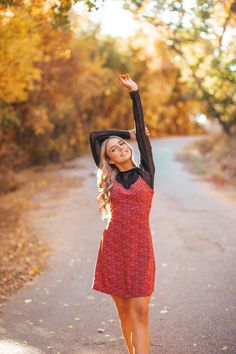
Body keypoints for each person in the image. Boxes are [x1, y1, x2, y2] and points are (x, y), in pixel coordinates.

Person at [89, 73, 156, 354]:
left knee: (140, 311)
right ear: (110, 159)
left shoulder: (147, 172)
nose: (120, 147)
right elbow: (95, 137)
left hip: (140, 247)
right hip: (113, 246)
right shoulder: (111, 179)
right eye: (113, 149)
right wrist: (122, 134)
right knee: (123, 311)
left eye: (122, 144)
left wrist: (135, 94)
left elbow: (141, 133)